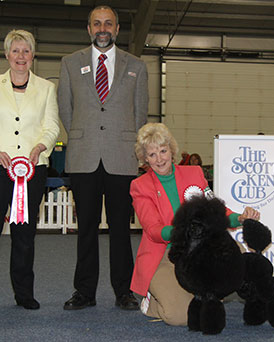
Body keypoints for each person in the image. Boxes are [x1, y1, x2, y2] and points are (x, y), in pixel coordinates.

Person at [57, 5, 148, 311]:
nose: (102, 28)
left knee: (121, 228)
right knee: (86, 228)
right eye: (97, 23)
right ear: (89, 29)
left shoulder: (137, 66)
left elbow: (141, 114)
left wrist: (133, 148)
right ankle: (84, 292)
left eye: (108, 23)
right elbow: (65, 110)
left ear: (118, 29)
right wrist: (83, 137)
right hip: (84, 156)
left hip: (121, 157)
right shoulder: (70, 63)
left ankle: (124, 291)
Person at [130, 123, 260, 326]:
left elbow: (215, 210)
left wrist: (239, 218)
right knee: (179, 317)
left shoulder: (194, 173)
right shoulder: (140, 186)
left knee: (236, 255)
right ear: (145, 158)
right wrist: (186, 233)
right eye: (152, 154)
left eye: (163, 151)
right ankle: (152, 301)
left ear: (171, 150)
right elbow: (153, 230)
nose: (160, 159)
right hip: (165, 254)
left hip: (201, 249)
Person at [0, 30, 60, 310]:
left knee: (24, 236)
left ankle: (24, 294)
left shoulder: (46, 88)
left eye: (26, 51)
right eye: (15, 50)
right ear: (7, 54)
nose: (21, 56)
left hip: (32, 170)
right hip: (0, 168)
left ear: (33, 56)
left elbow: (52, 127)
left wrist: (39, 148)